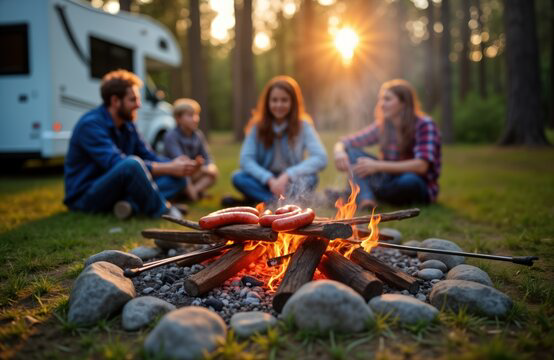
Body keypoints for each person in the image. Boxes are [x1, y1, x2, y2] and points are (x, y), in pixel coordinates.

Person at [63, 69, 198, 219]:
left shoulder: (128, 124)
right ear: (115, 101)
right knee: (131, 164)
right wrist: (169, 168)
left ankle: (129, 206)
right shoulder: (90, 125)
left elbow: (149, 155)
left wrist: (176, 164)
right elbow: (116, 163)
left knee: (178, 178)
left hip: (118, 191)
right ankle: (163, 210)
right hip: (86, 196)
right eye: (133, 100)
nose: (139, 105)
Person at [332, 79, 441, 210]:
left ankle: (360, 192)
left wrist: (377, 166)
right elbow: (345, 142)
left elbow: (421, 166)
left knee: (409, 181)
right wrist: (339, 152)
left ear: (404, 103)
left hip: (416, 184)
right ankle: (367, 199)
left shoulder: (424, 124)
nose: (381, 104)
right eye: (381, 99)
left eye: (387, 99)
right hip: (389, 181)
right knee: (353, 153)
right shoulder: (384, 126)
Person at [225, 75, 328, 207]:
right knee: (238, 177)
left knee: (311, 178)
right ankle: (281, 203)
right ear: (267, 103)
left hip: (291, 182)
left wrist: (287, 175)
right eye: (274, 100)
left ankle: (264, 201)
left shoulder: (304, 125)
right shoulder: (257, 126)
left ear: (293, 103)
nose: (279, 105)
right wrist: (269, 179)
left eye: (284, 100)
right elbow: (245, 160)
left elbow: (321, 158)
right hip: (265, 182)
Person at [163, 98, 219, 201]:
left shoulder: (198, 135)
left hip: (194, 171)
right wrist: (199, 166)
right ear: (178, 118)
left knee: (213, 172)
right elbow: (181, 161)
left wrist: (209, 167)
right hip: (178, 174)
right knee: (185, 177)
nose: (195, 119)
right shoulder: (171, 136)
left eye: (196, 115)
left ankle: (193, 192)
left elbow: (207, 157)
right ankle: (191, 195)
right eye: (190, 115)